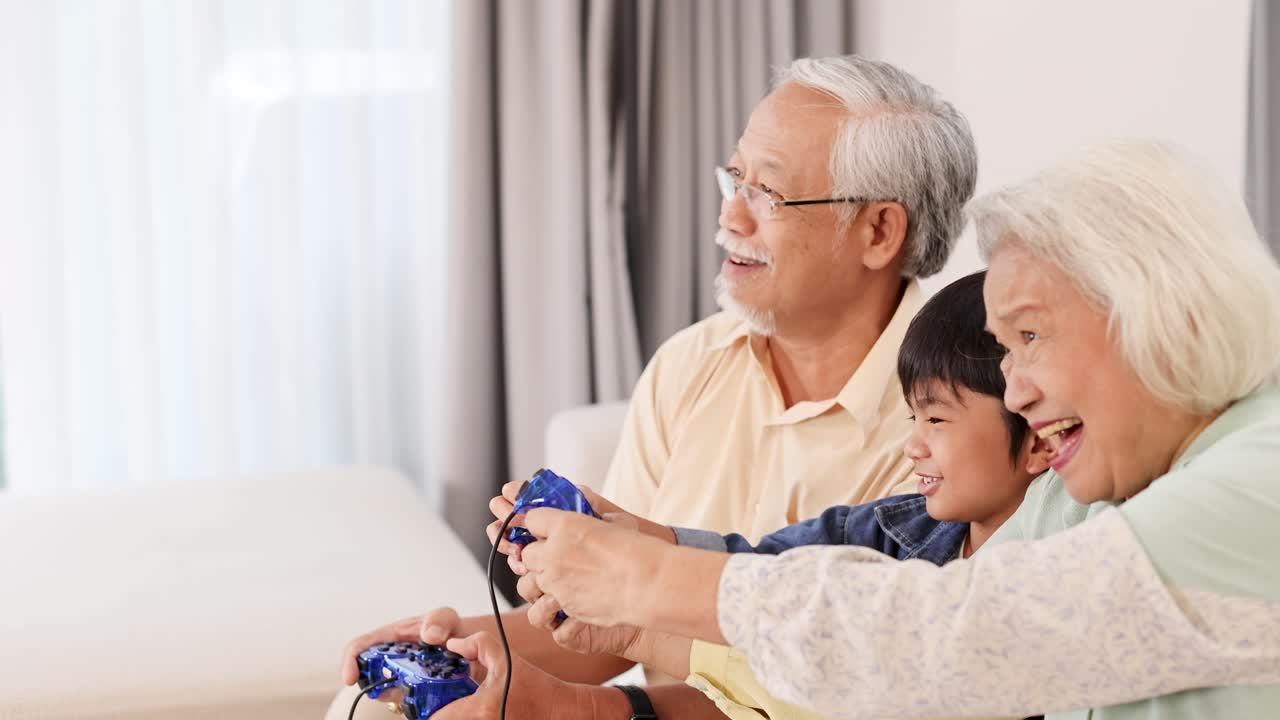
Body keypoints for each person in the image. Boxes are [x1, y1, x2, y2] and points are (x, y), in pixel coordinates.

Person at [509, 139, 1280, 719]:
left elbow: (942, 634)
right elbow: (903, 660)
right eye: (1005, 350)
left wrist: (645, 584)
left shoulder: (1257, 482)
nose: (1013, 388)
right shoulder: (1099, 486)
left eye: (1032, 337)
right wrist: (642, 627)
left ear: (1164, 312)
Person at [332, 54, 978, 718]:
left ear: (879, 231)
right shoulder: (693, 363)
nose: (731, 218)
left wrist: (579, 709)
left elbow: (826, 694)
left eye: (768, 193)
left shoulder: (949, 429)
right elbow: (605, 620)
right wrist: (466, 643)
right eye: (735, 178)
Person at [447, 270, 1050, 720]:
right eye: (913, 420)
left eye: (936, 423)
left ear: (1039, 438)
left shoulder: (1046, 591)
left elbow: (854, 667)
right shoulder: (897, 524)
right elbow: (762, 573)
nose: (911, 447)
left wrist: (636, 624)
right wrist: (636, 544)